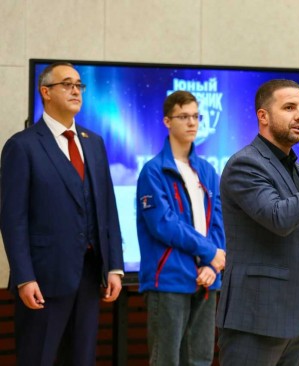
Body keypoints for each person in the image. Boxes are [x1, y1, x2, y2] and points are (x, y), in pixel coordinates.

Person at [215, 79, 299, 365]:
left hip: (294, 322)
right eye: (289, 107)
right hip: (255, 319)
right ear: (262, 116)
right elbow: (279, 218)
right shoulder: (245, 164)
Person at [0, 61, 124, 365]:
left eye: (79, 85)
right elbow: (12, 219)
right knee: (38, 358)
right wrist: (24, 277)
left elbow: (107, 207)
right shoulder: (22, 146)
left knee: (82, 359)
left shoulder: (93, 143)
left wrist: (115, 267)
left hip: (90, 274)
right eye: (66, 84)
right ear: (45, 92)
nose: (76, 91)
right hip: (43, 279)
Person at [136, 90, 226, 365]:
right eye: (183, 116)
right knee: (167, 359)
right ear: (167, 121)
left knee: (199, 359)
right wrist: (210, 252)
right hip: (169, 279)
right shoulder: (153, 171)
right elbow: (164, 224)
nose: (192, 123)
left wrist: (213, 265)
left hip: (207, 279)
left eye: (196, 116)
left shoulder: (208, 171)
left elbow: (219, 221)